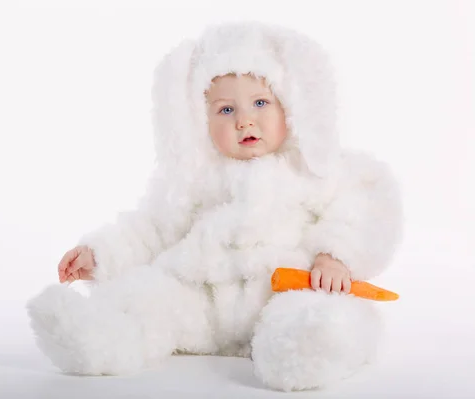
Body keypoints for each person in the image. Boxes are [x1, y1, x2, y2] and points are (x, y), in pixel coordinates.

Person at [27, 21, 403, 392]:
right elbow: (150, 228)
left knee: (324, 311)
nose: (245, 120)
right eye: (226, 110)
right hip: (203, 299)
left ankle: (310, 347)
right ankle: (98, 337)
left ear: (289, 105)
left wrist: (334, 256)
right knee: (147, 295)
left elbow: (363, 207)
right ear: (200, 119)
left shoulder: (312, 170)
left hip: (280, 290)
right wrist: (101, 255)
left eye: (260, 103)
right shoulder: (194, 178)